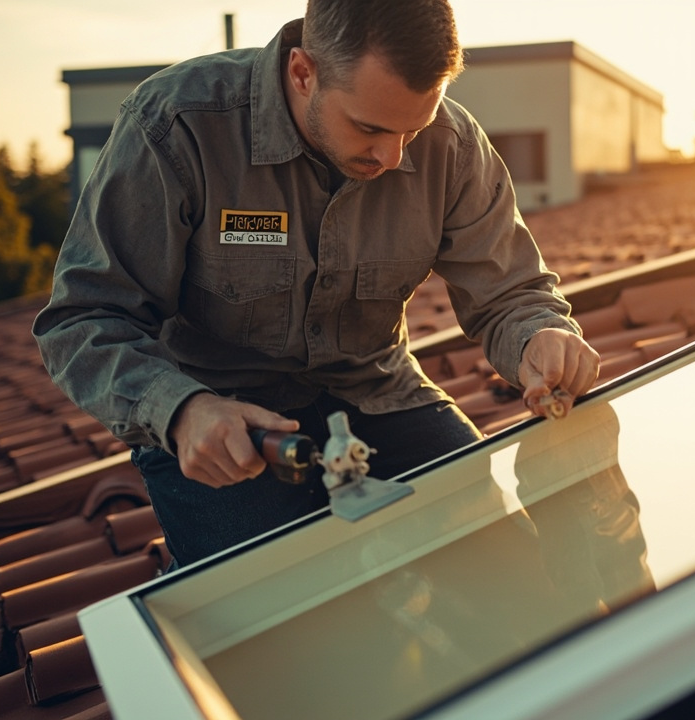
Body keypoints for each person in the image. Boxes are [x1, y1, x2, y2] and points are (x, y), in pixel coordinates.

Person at [33, 0, 600, 567]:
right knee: (272, 599)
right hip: (223, 420)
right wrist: (181, 411)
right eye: (369, 127)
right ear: (304, 72)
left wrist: (539, 337)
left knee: (504, 560)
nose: (392, 155)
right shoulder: (177, 126)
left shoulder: (453, 144)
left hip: (376, 392)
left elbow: (511, 295)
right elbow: (84, 319)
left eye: (413, 129)